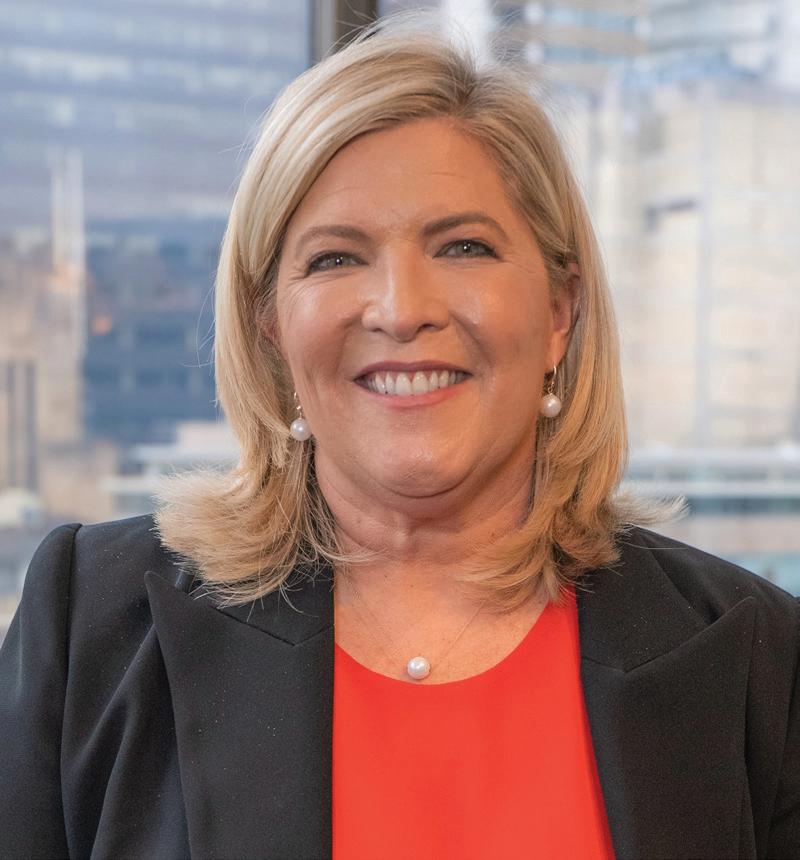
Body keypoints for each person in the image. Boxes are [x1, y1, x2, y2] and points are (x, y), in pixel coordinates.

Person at [1, 15, 798, 860]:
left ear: (560, 312)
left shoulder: (759, 660)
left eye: (464, 246)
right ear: (271, 328)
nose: (401, 308)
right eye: (336, 259)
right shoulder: (93, 624)